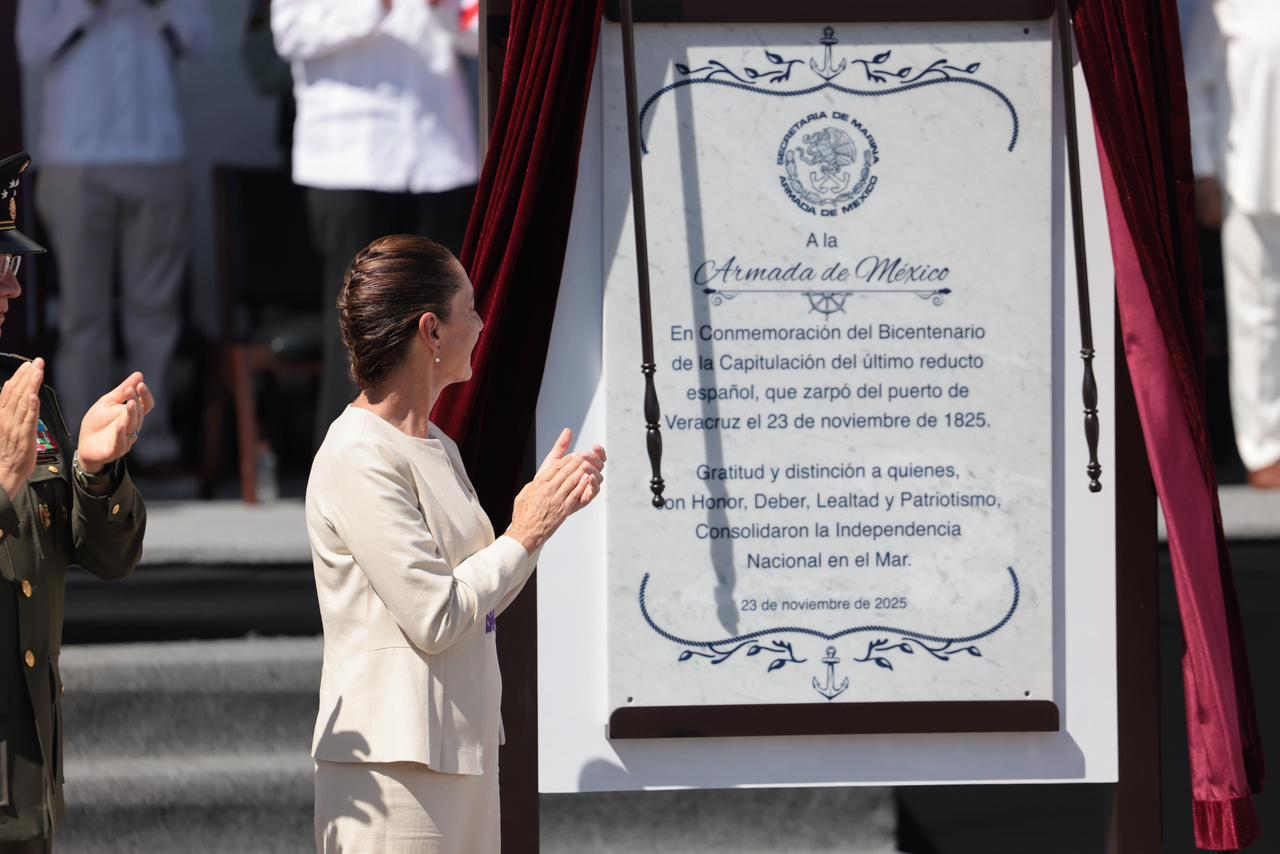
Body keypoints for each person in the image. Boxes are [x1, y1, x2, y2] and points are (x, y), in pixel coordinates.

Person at [306, 234, 603, 853]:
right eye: (469, 307)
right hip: (394, 769)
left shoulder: (440, 447)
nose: (481, 322)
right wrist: (525, 530)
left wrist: (540, 523)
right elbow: (436, 616)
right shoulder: (358, 452)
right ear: (431, 331)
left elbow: (478, 600)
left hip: (457, 750)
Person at [0, 152, 150, 852]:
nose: (11, 287)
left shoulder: (23, 395)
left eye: (15, 267)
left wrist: (95, 471)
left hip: (24, 786)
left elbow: (108, 558)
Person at [271, 0, 482, 447]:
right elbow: (290, 32)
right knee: (359, 327)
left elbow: (480, 31)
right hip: (350, 155)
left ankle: (447, 457)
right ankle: (350, 475)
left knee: (448, 319)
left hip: (438, 153)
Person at [16, 0, 211, 476]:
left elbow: (200, 37)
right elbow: (30, 47)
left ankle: (155, 439)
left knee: (156, 310)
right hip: (75, 155)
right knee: (84, 313)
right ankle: (89, 446)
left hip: (157, 151)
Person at [1185, 0, 1280, 486]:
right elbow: (1198, 83)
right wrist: (1203, 173)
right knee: (1255, 316)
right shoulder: (1224, 6)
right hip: (1250, 176)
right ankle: (1265, 449)